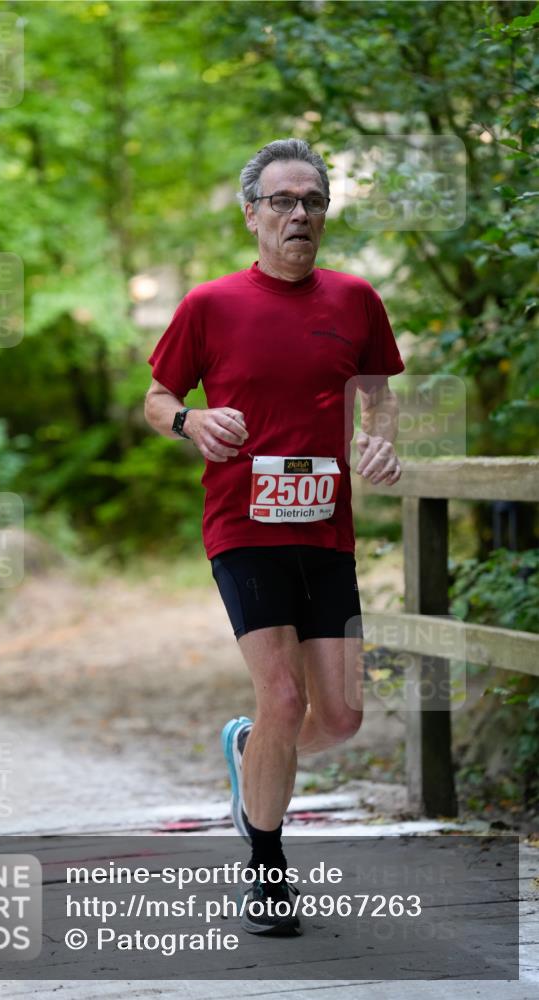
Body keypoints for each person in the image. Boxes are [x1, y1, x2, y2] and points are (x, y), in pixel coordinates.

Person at [144, 138, 405, 936]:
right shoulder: (210, 304)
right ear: (252, 213)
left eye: (314, 202)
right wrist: (190, 420)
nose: (300, 215)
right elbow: (156, 397)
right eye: (284, 202)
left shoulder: (355, 299)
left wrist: (379, 437)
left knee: (342, 716)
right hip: (241, 527)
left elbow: (377, 390)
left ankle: (251, 747)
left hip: (325, 530)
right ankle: (264, 868)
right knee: (283, 695)